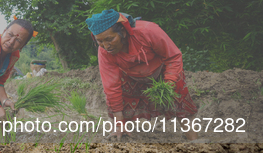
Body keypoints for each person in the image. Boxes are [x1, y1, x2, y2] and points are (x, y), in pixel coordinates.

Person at [85, 9, 198, 141]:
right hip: (131, 76)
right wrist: (120, 122)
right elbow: (111, 86)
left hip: (162, 70)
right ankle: (117, 136)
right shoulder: (105, 52)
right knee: (114, 102)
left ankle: (194, 141)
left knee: (180, 101)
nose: (106, 46)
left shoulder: (148, 31)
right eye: (100, 41)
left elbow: (173, 57)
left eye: (110, 39)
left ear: (122, 32)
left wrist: (169, 83)